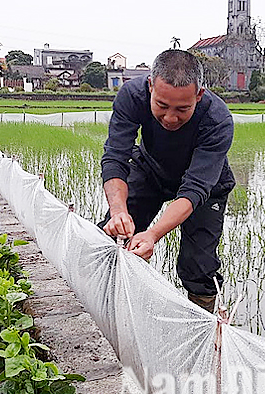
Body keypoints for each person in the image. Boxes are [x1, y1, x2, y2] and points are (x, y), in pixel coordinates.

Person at [99, 49, 235, 313]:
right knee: (112, 234)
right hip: (151, 168)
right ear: (150, 87)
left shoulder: (217, 119)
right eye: (162, 106)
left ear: (199, 96)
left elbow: (194, 189)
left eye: (182, 109)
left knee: (199, 264)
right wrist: (118, 211)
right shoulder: (131, 96)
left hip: (208, 185)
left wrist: (152, 234)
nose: (170, 118)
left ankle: (204, 327)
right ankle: (111, 311)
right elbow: (116, 157)